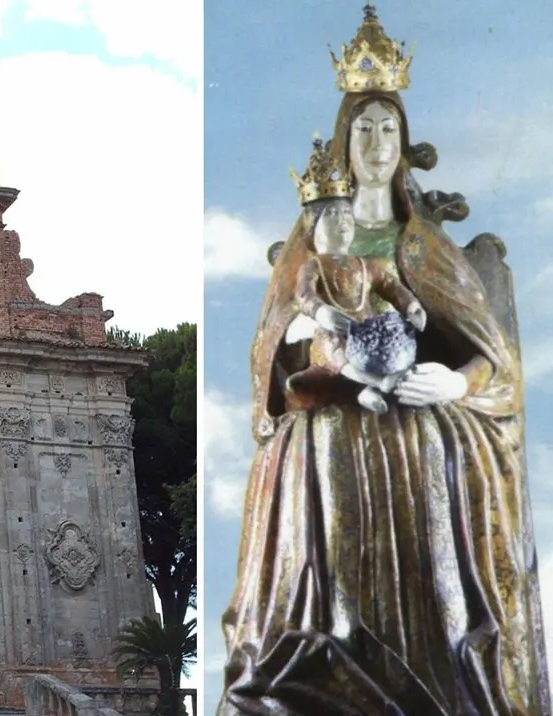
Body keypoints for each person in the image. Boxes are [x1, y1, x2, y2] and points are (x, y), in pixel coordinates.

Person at [218, 6, 548, 715]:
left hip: (425, 415)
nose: (374, 142)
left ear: (403, 143)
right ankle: (332, 645)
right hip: (330, 405)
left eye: (386, 129)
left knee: (430, 442)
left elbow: (496, 360)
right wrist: (319, 347)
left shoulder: (426, 246)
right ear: (345, 140)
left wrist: (454, 381)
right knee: (322, 442)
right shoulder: (310, 244)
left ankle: (436, 667)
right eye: (361, 128)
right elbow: (272, 349)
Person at [286, 137, 426, 414]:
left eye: (345, 214)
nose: (342, 222)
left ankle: (368, 390)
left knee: (397, 339)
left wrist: (411, 305)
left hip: (369, 331)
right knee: (331, 344)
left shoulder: (365, 265)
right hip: (333, 331)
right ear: (313, 226)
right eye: (332, 216)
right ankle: (378, 383)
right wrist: (321, 311)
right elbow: (304, 294)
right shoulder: (314, 266)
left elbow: (390, 285)